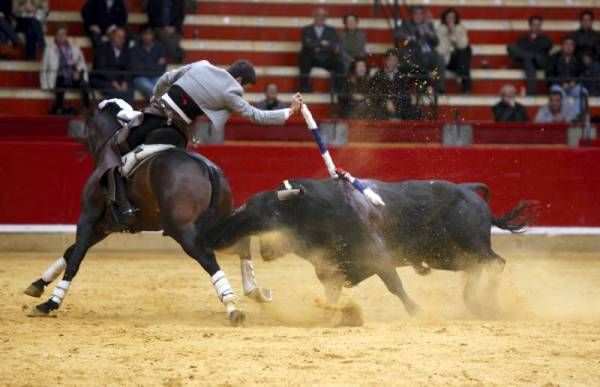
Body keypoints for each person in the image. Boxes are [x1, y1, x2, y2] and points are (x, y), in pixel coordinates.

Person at [100, 60, 304, 225]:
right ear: (239, 79)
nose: (241, 89)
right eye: (244, 86)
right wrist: (290, 111)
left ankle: (124, 206)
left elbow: (167, 77)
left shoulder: (202, 65)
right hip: (179, 134)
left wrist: (155, 97)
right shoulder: (231, 91)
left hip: (156, 119)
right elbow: (256, 115)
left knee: (115, 147)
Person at [40, 25, 89, 115]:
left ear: (66, 35)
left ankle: (86, 109)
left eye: (63, 34)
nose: (61, 37)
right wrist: (45, 85)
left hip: (72, 75)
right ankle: (59, 109)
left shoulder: (74, 48)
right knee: (60, 85)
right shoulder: (49, 49)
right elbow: (44, 67)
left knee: (84, 85)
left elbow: (81, 63)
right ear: (55, 36)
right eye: (59, 34)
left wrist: (78, 73)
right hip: (58, 76)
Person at [394, 6, 445, 93]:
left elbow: (436, 42)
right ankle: (423, 86)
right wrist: (410, 37)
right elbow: (397, 35)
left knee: (440, 59)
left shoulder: (429, 25)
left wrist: (430, 33)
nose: (418, 16)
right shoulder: (406, 24)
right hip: (414, 53)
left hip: (429, 54)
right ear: (412, 15)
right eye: (416, 13)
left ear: (423, 15)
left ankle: (438, 88)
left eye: (420, 14)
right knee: (418, 60)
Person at [298, 7, 344, 93]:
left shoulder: (331, 30)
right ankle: (304, 88)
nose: (320, 17)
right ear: (314, 16)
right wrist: (322, 44)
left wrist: (316, 45)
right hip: (310, 57)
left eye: (323, 16)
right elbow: (306, 44)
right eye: (318, 15)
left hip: (325, 58)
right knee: (304, 60)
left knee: (339, 65)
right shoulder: (306, 29)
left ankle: (338, 89)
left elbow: (332, 46)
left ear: (326, 17)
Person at [507, 15, 553, 95]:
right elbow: (517, 51)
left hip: (538, 62)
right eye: (534, 25)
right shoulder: (522, 38)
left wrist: (528, 52)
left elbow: (543, 50)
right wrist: (531, 54)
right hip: (525, 61)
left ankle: (532, 91)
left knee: (528, 60)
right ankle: (532, 91)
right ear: (530, 26)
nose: (537, 27)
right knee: (510, 47)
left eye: (539, 25)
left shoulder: (546, 40)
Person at [369, 49, 415, 120]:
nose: (392, 62)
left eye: (394, 60)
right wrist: (385, 101)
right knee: (376, 113)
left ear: (398, 61)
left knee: (414, 111)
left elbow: (406, 93)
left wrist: (395, 104)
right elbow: (374, 92)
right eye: (389, 60)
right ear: (385, 61)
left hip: (400, 106)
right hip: (382, 107)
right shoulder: (378, 75)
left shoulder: (402, 76)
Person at [547, 36, 586, 119]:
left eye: (571, 45)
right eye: (566, 44)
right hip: (558, 85)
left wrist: (575, 82)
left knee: (584, 91)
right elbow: (549, 75)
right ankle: (566, 116)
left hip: (573, 86)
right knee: (556, 91)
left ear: (574, 47)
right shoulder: (554, 57)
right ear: (562, 46)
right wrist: (561, 83)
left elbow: (583, 74)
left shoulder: (578, 59)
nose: (568, 47)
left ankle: (574, 117)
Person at [91, 27, 133, 104]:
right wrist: (113, 82)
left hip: (119, 80)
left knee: (129, 89)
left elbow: (129, 67)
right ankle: (114, 113)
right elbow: (101, 68)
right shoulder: (103, 47)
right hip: (102, 79)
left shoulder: (126, 50)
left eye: (123, 37)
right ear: (112, 36)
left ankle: (128, 113)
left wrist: (125, 82)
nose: (121, 39)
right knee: (114, 91)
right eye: (118, 36)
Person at [436, 8, 472, 93]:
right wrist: (448, 37)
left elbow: (463, 45)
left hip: (460, 60)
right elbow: (441, 50)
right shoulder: (440, 30)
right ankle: (464, 83)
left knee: (466, 50)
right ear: (444, 18)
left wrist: (454, 33)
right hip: (447, 60)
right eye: (448, 17)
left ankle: (463, 80)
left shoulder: (460, 28)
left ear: (456, 19)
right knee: (464, 57)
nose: (450, 20)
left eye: (453, 17)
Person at [131, 25, 166, 101]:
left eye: (149, 34)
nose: (147, 37)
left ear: (153, 35)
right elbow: (135, 68)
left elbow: (162, 68)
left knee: (164, 88)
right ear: (141, 35)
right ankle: (160, 109)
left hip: (155, 76)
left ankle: (157, 109)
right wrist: (155, 65)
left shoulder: (160, 47)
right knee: (151, 89)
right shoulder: (134, 49)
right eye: (144, 34)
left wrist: (143, 65)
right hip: (140, 78)